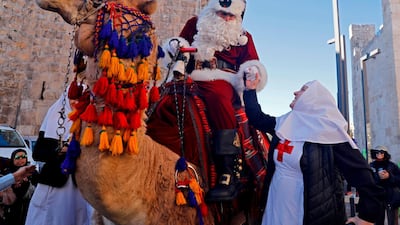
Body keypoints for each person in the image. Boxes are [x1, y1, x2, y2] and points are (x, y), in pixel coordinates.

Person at [243, 75, 385, 225]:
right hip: (275, 202)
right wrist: (250, 89)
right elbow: (256, 118)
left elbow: (363, 176)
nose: (295, 92)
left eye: (303, 90)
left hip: (310, 211)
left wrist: (367, 216)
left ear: (315, 99)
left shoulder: (330, 133)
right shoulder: (284, 123)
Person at [170, 0, 268, 201]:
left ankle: (227, 172)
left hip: (224, 80)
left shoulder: (244, 37)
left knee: (218, 97)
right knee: (165, 97)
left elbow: (252, 63)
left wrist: (253, 72)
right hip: (190, 76)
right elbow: (179, 44)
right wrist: (174, 49)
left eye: (230, 16)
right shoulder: (194, 24)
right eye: (222, 14)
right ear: (212, 10)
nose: (226, 18)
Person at [24, 93, 93, 225]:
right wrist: (61, 149)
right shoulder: (55, 120)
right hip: (55, 184)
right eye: (72, 98)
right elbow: (38, 153)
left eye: (79, 99)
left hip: (80, 186)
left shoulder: (89, 124)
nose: (75, 101)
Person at [2, 149, 38, 225]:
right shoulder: (8, 172)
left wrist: (27, 183)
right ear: (12, 159)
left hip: (27, 205)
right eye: (18, 157)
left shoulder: (32, 171)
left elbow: (37, 187)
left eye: (23, 156)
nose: (21, 159)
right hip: (10, 207)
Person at [370, 145, 400, 225]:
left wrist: (389, 176)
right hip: (378, 198)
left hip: (391, 197)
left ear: (385, 153)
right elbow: (369, 181)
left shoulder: (392, 166)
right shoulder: (371, 166)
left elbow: (399, 179)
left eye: (381, 152)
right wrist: (377, 177)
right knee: (378, 221)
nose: (379, 154)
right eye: (377, 152)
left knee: (393, 221)